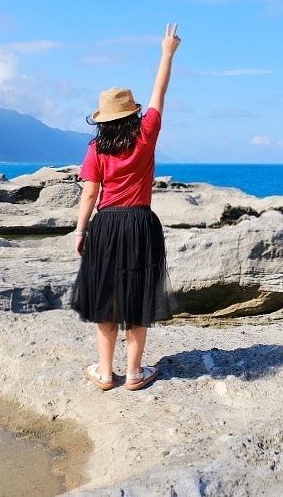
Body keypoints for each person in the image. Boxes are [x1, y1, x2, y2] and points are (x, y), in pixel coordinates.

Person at [71, 22, 181, 391]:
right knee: (137, 295)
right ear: (132, 114)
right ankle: (134, 373)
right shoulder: (147, 133)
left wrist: (81, 230)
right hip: (140, 223)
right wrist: (167, 52)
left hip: (105, 225)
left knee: (106, 296)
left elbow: (89, 194)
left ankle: (105, 373)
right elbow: (159, 91)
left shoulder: (96, 149)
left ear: (103, 120)